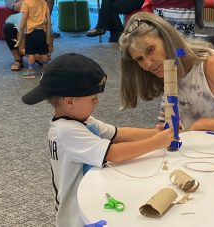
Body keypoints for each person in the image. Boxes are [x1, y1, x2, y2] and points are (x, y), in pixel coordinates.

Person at [21, 53, 173, 227]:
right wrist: (156, 143)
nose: (97, 103)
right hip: (76, 215)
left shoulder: (83, 121)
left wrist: (155, 133)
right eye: (93, 99)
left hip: (90, 198)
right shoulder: (66, 131)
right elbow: (114, 153)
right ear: (70, 101)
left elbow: (119, 133)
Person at [119, 12, 214, 135]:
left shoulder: (211, 63)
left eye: (150, 49)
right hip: (200, 154)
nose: (148, 64)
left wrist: (202, 125)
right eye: (139, 59)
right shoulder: (167, 70)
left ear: (167, 39)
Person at [19, 0, 51, 77]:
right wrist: (48, 38)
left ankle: (30, 72)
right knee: (44, 52)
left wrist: (21, 32)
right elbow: (48, 20)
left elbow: (24, 18)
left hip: (31, 32)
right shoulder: (44, 2)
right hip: (41, 32)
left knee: (31, 53)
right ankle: (46, 72)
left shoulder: (26, 2)